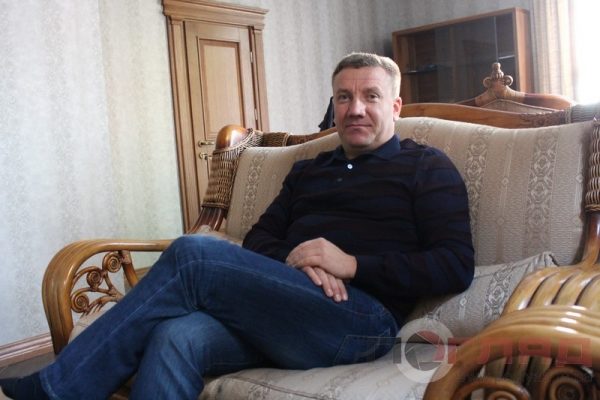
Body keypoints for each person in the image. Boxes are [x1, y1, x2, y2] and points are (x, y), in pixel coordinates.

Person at [0, 52, 474, 400]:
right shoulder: (309, 170)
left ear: (395, 106)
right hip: (284, 304)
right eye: (344, 97)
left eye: (371, 96)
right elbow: (260, 239)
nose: (355, 109)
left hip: (362, 321)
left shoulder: (426, 167)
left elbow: (454, 265)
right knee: (175, 336)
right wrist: (300, 262)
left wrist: (351, 264)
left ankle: (60, 389)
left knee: (192, 254)